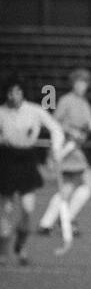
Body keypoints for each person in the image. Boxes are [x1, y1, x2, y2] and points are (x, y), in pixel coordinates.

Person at [0, 75, 65, 266]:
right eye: (10, 92)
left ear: (23, 93)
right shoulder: (1, 113)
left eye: (18, 91)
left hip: (27, 161)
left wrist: (55, 149)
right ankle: (3, 251)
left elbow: (55, 128)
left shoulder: (34, 111)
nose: (14, 95)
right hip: (6, 161)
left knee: (28, 209)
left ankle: (20, 245)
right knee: (6, 210)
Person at [37, 67, 91, 252]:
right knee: (83, 184)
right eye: (79, 82)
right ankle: (61, 220)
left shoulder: (84, 103)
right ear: (73, 83)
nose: (82, 86)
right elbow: (55, 123)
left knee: (70, 187)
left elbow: (87, 124)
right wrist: (70, 131)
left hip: (75, 151)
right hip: (66, 150)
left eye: (85, 83)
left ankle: (48, 223)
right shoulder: (66, 100)